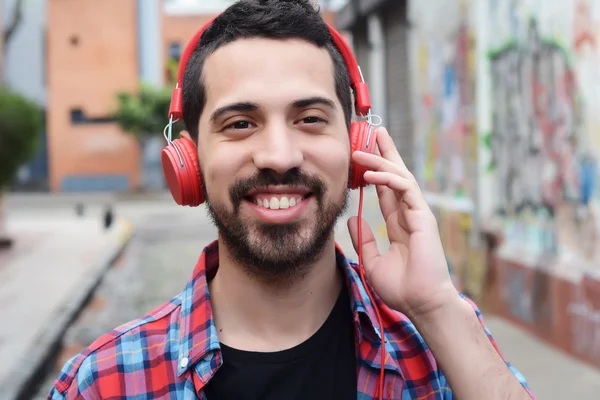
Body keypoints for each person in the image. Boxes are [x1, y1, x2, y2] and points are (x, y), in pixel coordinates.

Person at [49, 1, 535, 399]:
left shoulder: (442, 350)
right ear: (190, 161)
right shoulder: (102, 383)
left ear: (357, 147)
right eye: (240, 124)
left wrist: (437, 307)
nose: (279, 157)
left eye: (310, 119)